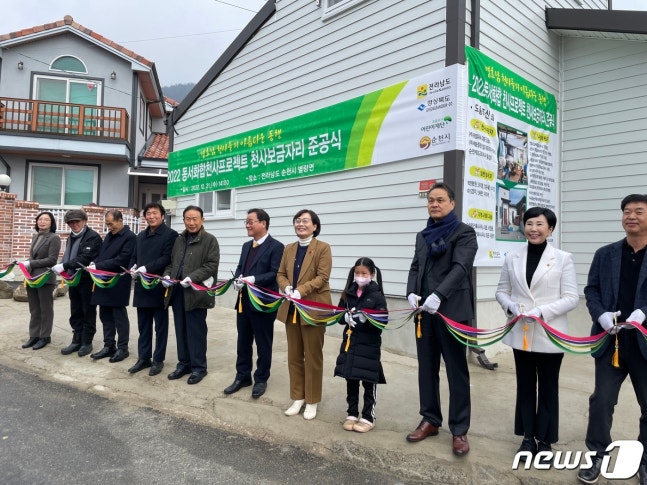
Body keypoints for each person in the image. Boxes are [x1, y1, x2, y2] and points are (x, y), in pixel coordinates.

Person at [495, 207, 578, 462]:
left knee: (549, 388)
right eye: (529, 223)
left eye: (540, 224)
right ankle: (527, 437)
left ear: (550, 229)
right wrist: (511, 306)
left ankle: (545, 441)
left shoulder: (563, 258)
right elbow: (501, 291)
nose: (533, 229)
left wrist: (542, 312)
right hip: (521, 333)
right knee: (525, 386)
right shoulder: (512, 258)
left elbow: (571, 298)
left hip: (550, 334)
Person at [578, 194, 647, 485]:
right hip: (612, 341)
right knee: (602, 400)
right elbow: (591, 289)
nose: (631, 216)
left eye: (639, 211)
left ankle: (644, 459)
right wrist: (601, 315)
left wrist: (644, 312)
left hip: (644, 343)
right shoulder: (605, 254)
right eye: (627, 211)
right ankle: (597, 454)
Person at [405, 182, 477, 456]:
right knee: (427, 368)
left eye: (440, 200)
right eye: (430, 200)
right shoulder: (423, 235)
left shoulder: (464, 232)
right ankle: (430, 419)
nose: (434, 204)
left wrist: (438, 295)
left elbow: (460, 268)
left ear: (452, 203)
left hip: (452, 312)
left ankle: (459, 429)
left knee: (456, 371)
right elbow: (416, 266)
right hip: (424, 314)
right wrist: (411, 292)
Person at [276, 209, 332, 420]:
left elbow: (323, 277)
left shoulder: (323, 248)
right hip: (292, 308)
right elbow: (280, 273)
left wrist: (301, 290)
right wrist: (286, 287)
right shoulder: (289, 248)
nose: (301, 224)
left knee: (313, 356)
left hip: (313, 308)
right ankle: (298, 396)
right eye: (297, 220)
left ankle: (312, 400)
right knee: (294, 355)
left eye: (305, 221)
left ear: (315, 226)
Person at [224, 208, 284, 398]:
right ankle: (242, 376)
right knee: (243, 341)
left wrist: (253, 279)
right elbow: (240, 268)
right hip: (244, 302)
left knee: (263, 343)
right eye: (246, 222)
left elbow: (274, 273)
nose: (247, 225)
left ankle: (261, 378)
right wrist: (237, 279)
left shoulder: (276, 246)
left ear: (263, 223)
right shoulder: (246, 246)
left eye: (250, 222)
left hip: (263, 303)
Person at [162, 205, 219, 385]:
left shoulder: (210, 240)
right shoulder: (179, 240)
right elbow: (172, 263)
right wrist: (167, 275)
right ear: (184, 220)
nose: (191, 222)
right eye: (188, 219)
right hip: (178, 291)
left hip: (196, 292)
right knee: (181, 330)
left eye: (195, 219)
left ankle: (199, 368)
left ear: (202, 220)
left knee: (196, 331)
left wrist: (192, 277)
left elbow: (211, 265)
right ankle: (184, 364)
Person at [334, 257, 387, 433]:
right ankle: (351, 413)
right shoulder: (348, 293)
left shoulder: (377, 296)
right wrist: (345, 316)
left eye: (364, 273)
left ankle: (368, 417)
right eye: (357, 273)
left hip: (369, 345)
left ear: (372, 274)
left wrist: (368, 319)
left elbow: (383, 322)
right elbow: (339, 315)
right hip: (350, 342)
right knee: (351, 378)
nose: (360, 276)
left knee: (369, 380)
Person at [127, 202, 178, 376]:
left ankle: (158, 360)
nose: (151, 216)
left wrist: (147, 268)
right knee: (143, 326)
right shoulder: (141, 236)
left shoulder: (170, 235)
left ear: (162, 216)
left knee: (160, 327)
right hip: (141, 286)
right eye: (148, 213)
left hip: (158, 286)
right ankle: (143, 358)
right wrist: (133, 268)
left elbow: (167, 258)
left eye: (155, 213)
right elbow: (134, 256)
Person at [52, 209, 102, 357]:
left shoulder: (93, 237)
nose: (74, 225)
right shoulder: (71, 237)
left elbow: (84, 258)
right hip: (73, 279)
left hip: (87, 280)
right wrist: (62, 266)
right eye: (71, 222)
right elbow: (68, 255)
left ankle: (87, 341)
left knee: (88, 310)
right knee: (75, 310)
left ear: (84, 221)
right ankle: (76, 340)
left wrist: (65, 266)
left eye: (77, 221)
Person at [89, 210, 136, 363]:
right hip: (103, 280)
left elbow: (122, 259)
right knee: (105, 315)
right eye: (107, 224)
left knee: (119, 316)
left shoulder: (130, 237)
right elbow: (103, 255)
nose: (109, 227)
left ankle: (123, 348)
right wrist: (94, 263)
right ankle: (109, 345)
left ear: (120, 220)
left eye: (111, 224)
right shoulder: (109, 236)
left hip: (118, 281)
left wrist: (98, 266)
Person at [21, 211, 61, 351]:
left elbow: (52, 260)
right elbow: (34, 257)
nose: (42, 222)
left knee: (45, 309)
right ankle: (34, 335)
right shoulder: (36, 236)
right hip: (31, 277)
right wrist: (25, 263)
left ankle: (44, 336)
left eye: (46, 219)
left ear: (51, 223)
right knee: (34, 308)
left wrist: (30, 263)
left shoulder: (54, 238)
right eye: (40, 219)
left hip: (45, 278)